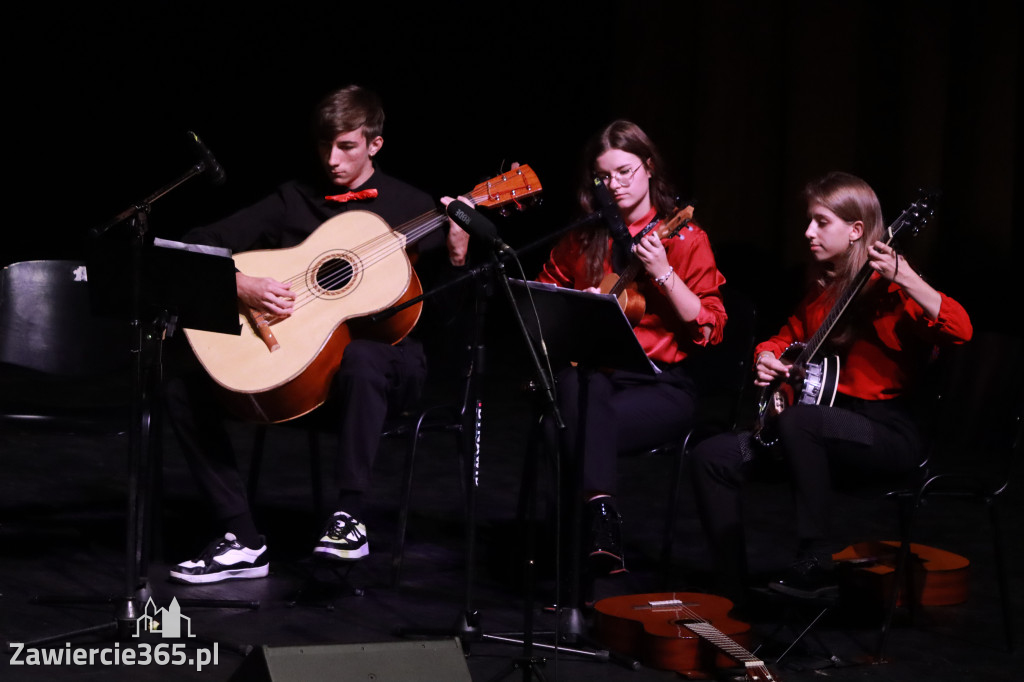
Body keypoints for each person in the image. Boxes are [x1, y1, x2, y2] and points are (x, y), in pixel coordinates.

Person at [163, 84, 470, 584]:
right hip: (302, 367)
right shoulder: (294, 198)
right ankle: (241, 536)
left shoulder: (415, 207)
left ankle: (349, 517)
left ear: (375, 144)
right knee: (179, 379)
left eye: (346, 146)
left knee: (363, 358)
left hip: (387, 371)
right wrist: (238, 284)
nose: (332, 159)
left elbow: (450, 321)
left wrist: (457, 256)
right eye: (324, 145)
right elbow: (202, 242)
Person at [687, 171, 972, 602]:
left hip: (885, 432)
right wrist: (766, 357)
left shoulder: (894, 291)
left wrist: (907, 277)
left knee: (803, 421)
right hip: (817, 433)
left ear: (857, 230)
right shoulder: (825, 290)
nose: (808, 232)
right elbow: (785, 335)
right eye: (809, 220)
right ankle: (732, 592)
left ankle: (815, 561)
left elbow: (961, 331)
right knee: (713, 454)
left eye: (821, 222)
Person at [536, 120, 727, 575]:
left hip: (660, 388)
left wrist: (663, 271)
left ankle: (564, 570)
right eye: (604, 177)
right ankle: (601, 528)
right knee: (582, 387)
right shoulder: (586, 236)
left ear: (648, 167)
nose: (615, 184)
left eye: (625, 171)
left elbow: (710, 328)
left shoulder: (685, 238)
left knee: (561, 427)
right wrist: (573, 309)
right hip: (593, 381)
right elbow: (544, 295)